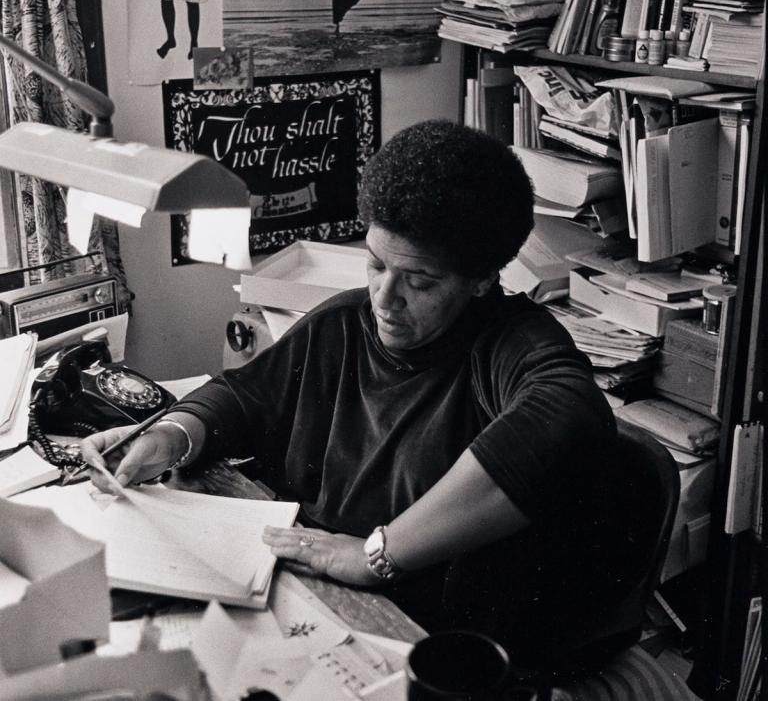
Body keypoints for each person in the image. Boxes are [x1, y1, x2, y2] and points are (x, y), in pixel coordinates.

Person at [83, 120, 625, 671]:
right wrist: (171, 436)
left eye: (419, 281)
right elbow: (246, 396)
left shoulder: (509, 344)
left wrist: (376, 556)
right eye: (376, 264)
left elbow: (569, 418)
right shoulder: (345, 322)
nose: (385, 299)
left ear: (481, 280)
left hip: (415, 629)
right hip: (302, 587)